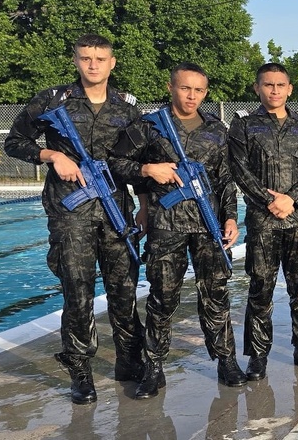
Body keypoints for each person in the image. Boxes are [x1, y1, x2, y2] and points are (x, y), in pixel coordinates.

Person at [5, 33, 145, 405]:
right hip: (71, 213)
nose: (93, 65)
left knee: (124, 291)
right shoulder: (52, 100)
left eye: (100, 58)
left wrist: (145, 205)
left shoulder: (127, 109)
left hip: (116, 212)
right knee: (78, 292)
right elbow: (15, 142)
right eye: (86, 58)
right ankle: (81, 372)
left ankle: (130, 362)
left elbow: (136, 163)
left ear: (112, 63)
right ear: (76, 61)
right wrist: (52, 155)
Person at [110, 62, 245, 397]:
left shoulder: (216, 128)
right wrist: (147, 169)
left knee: (215, 295)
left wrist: (230, 218)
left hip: (206, 225)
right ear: (171, 87)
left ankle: (226, 360)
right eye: (185, 88)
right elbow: (115, 163)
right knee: (162, 298)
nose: (192, 96)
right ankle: (153, 368)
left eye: (199, 90)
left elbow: (225, 179)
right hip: (165, 225)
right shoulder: (149, 126)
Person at [227, 63, 298, 379]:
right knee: (260, 289)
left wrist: (291, 199)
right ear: (257, 88)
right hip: (262, 222)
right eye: (268, 85)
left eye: (280, 85)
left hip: (297, 221)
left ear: (290, 89)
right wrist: (270, 200)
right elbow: (239, 170)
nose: (274, 90)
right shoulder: (244, 126)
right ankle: (257, 356)